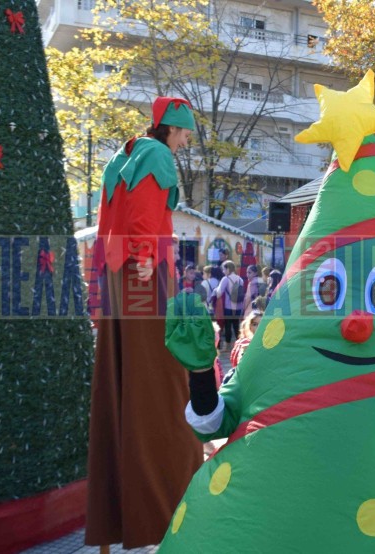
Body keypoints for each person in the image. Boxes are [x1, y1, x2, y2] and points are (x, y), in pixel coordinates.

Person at [87, 96, 203, 548]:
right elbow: (143, 211)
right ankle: (166, 511)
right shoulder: (156, 154)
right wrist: (143, 258)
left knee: (126, 389)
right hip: (143, 275)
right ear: (171, 127)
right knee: (162, 386)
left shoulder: (126, 152)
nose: (188, 137)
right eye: (186, 130)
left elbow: (111, 218)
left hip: (117, 279)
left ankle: (129, 518)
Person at [209, 260, 245, 351]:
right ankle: (240, 346)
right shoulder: (240, 279)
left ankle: (228, 347)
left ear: (228, 269)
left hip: (228, 307)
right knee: (236, 327)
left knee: (228, 326)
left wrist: (214, 290)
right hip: (238, 307)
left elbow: (219, 293)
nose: (223, 271)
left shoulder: (225, 279)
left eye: (224, 269)